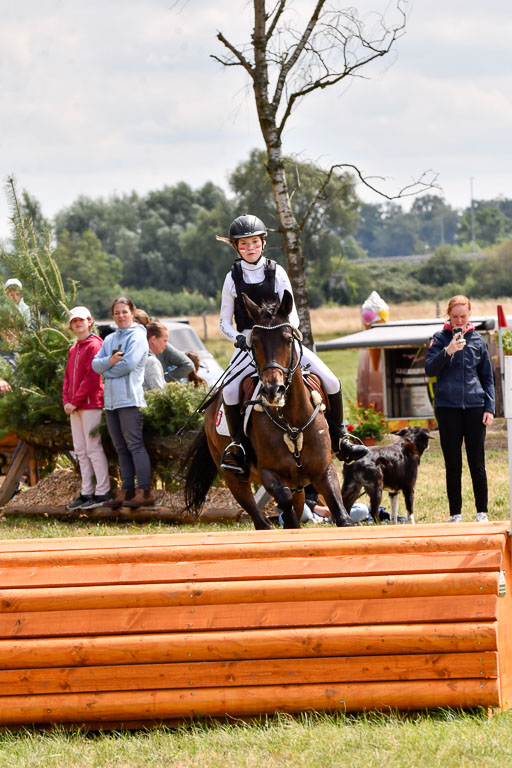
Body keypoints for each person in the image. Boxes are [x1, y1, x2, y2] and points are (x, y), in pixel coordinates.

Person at [216, 213, 368, 472]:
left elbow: (293, 313)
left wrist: (285, 331)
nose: (249, 248)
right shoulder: (232, 277)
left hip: (280, 340)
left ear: (263, 243)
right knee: (230, 391)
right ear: (236, 247)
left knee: (331, 380)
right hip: (249, 344)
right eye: (243, 244)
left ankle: (341, 438)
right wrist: (241, 337)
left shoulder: (277, 271)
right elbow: (222, 322)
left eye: (254, 243)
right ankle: (238, 448)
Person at [425, 295, 495, 523]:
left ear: (469, 316)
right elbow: (429, 369)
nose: (458, 320)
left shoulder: (478, 340)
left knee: (477, 462)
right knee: (452, 463)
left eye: (463, 316)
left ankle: (481, 512)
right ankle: (455, 514)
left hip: (475, 406)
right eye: (454, 316)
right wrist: (448, 350)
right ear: (448, 315)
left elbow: (487, 377)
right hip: (447, 408)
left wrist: (490, 407)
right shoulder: (439, 338)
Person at [92, 296, 154, 509]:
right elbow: (94, 364)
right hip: (110, 402)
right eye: (117, 313)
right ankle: (126, 489)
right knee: (120, 447)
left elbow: (128, 365)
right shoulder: (109, 340)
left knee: (135, 445)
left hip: (129, 399)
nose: (120, 316)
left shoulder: (138, 337)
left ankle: (144, 491)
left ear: (132, 313)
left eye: (124, 312)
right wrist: (109, 361)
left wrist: (106, 370)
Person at [63, 306, 112, 510]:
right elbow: (67, 378)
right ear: (71, 326)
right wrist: (67, 400)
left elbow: (92, 378)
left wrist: (76, 400)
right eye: (75, 321)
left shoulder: (95, 345)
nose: (79, 324)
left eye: (82, 320)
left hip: (91, 404)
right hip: (75, 407)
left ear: (90, 321)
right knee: (81, 450)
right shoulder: (74, 349)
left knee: (93, 448)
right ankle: (87, 492)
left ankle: (103, 491)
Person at [143, 321, 167, 391]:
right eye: (164, 340)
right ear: (153, 339)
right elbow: (158, 392)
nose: (166, 344)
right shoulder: (151, 361)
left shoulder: (142, 356)